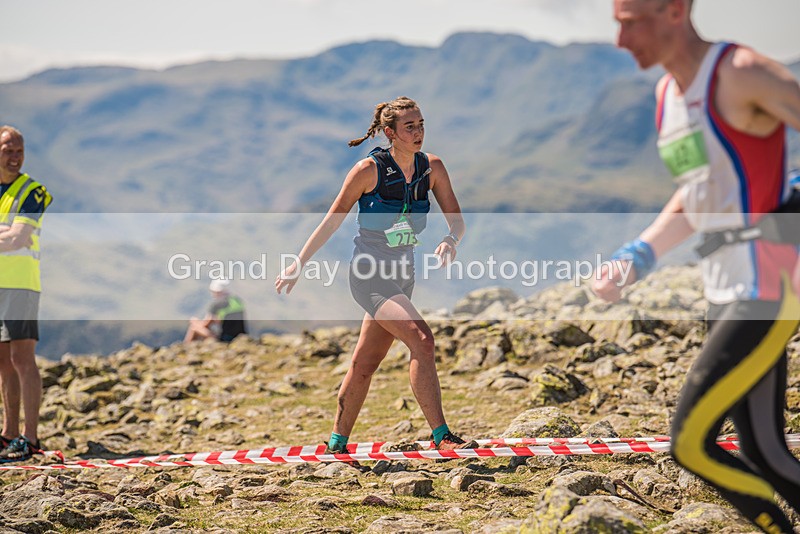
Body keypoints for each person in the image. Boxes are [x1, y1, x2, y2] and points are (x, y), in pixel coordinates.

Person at [593, 1, 800, 532]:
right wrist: (636, 256)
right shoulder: (669, 96)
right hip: (724, 282)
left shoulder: (740, 72)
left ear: (675, 11)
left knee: (690, 440)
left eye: (629, 21)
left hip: (770, 281)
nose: (620, 39)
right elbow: (695, 197)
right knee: (762, 446)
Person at [276, 96, 473, 452]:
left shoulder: (433, 168)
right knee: (422, 340)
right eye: (409, 126)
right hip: (369, 276)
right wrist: (299, 263)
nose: (418, 132)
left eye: (422, 124)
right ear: (390, 132)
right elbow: (332, 218)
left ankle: (337, 443)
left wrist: (450, 240)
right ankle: (442, 436)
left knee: (365, 363)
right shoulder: (368, 171)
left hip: (403, 275)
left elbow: (457, 222)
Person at [0, 126, 53, 464]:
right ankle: (8, 435)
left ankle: (30, 438)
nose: (15, 155)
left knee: (22, 359)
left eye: (19, 149)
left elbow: (18, 238)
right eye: (8, 149)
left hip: (20, 285)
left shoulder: (32, 191)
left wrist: (9, 233)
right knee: (3, 362)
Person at [184, 279, 247, 343]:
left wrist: (195, 322)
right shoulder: (237, 301)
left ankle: (185, 347)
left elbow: (205, 324)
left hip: (225, 339)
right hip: (240, 337)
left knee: (193, 328)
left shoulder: (217, 305)